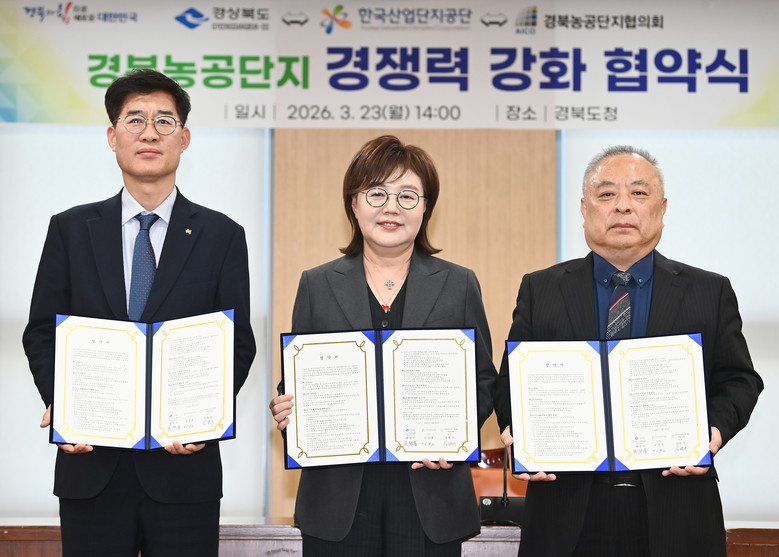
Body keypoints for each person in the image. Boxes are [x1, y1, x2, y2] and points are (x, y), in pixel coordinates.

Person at [22, 69, 256, 557]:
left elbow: (237, 341)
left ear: (184, 139)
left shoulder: (222, 235)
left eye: (164, 121)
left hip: (184, 469)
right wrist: (63, 403)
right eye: (135, 120)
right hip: (90, 464)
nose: (149, 133)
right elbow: (42, 331)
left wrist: (203, 418)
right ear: (113, 137)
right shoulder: (70, 229)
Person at [494, 145, 763, 557]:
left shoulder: (709, 291)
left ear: (662, 208)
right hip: (566, 509)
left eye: (638, 193)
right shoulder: (541, 288)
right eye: (607, 194)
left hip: (676, 507)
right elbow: (510, 383)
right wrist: (520, 432)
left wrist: (713, 430)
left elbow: (739, 380)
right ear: (584, 209)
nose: (622, 205)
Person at [269, 135, 497, 556]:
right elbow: (300, 379)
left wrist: (454, 436)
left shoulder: (458, 283)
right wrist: (288, 407)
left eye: (407, 195)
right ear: (353, 204)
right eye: (377, 193)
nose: (392, 207)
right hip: (338, 496)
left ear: (426, 208)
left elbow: (483, 381)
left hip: (430, 493)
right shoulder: (317, 284)